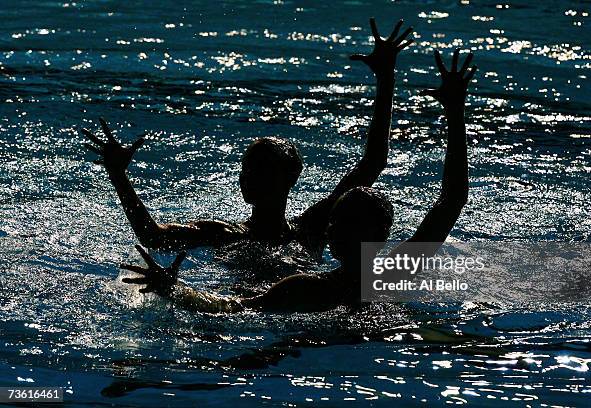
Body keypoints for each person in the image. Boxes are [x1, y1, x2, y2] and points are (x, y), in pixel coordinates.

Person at [120, 48, 477, 314]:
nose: (332, 229)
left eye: (260, 171)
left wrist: (177, 291)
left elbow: (236, 309)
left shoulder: (310, 281)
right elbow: (452, 200)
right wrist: (455, 112)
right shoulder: (395, 273)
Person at [82, 18, 414, 259]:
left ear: (290, 179)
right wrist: (118, 176)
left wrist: (387, 79)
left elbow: (373, 163)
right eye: (245, 169)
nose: (245, 178)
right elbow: (154, 238)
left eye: (258, 171)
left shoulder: (314, 228)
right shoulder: (222, 235)